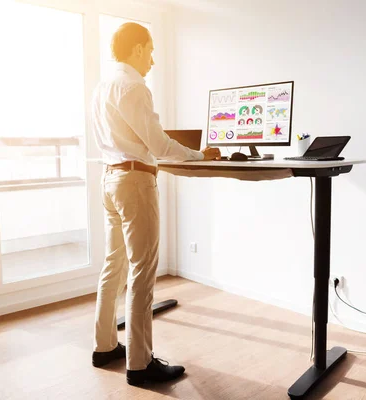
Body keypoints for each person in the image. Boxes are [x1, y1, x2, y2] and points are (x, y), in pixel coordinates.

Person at [90, 22, 220, 386]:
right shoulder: (134, 86)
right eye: (149, 51)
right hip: (134, 181)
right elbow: (160, 146)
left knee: (113, 267)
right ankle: (140, 364)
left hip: (110, 179)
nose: (152, 60)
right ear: (135, 49)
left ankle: (104, 346)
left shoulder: (102, 88)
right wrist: (199, 155)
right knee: (142, 270)